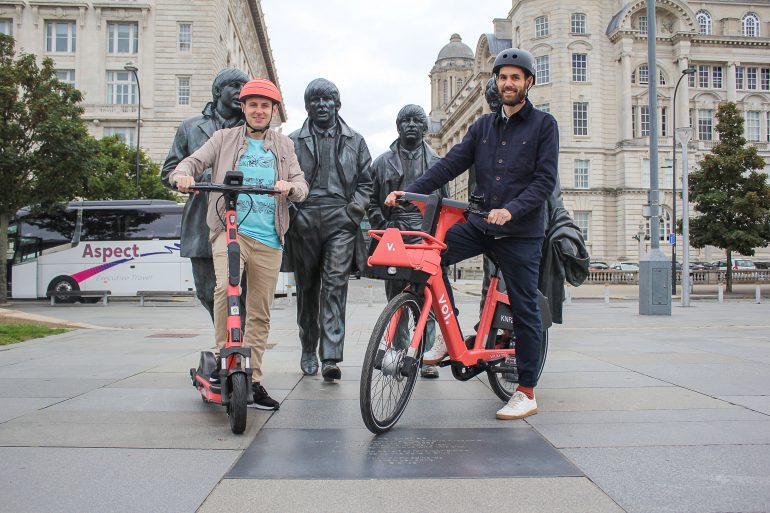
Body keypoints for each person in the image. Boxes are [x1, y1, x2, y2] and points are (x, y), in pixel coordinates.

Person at [384, 48, 558, 420]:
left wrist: (511, 209)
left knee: (525, 306)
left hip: (520, 232)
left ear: (528, 82)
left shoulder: (544, 125)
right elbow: (449, 164)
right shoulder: (482, 127)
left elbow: (544, 182)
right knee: (430, 257)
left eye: (516, 77)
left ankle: (526, 391)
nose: (508, 83)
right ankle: (449, 337)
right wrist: (410, 191)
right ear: (495, 81)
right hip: (481, 225)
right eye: (503, 77)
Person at [168, 78, 308, 410]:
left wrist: (291, 187)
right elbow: (191, 163)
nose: (259, 111)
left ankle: (254, 379)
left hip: (270, 236)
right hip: (230, 230)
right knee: (226, 290)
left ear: (273, 111)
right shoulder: (223, 138)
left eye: (265, 106)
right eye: (253, 105)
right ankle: (225, 361)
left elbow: (301, 183)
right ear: (243, 108)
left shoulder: (284, 146)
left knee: (260, 310)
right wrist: (182, 176)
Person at [286, 78, 373, 381]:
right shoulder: (292, 141)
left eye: (328, 100)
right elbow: (281, 180)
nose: (322, 105)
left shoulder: (356, 141)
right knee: (307, 289)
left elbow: (366, 182)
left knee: (335, 287)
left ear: (338, 104)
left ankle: (331, 356)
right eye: (315, 100)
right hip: (305, 217)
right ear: (307, 106)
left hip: (341, 220)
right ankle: (309, 347)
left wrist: (353, 212)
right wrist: (294, 214)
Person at [161, 68, 249, 322]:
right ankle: (228, 341)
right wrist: (195, 179)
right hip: (202, 221)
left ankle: (236, 347)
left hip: (244, 219)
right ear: (218, 91)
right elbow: (169, 171)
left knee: (241, 292)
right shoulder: (190, 128)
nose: (240, 92)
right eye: (234, 85)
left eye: (244, 87)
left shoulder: (253, 128)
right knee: (207, 291)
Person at [368, 104, 448, 379]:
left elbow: (444, 203)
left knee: (429, 297)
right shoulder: (380, 163)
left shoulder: (438, 163)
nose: (411, 125)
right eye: (406, 120)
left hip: (427, 236)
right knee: (395, 297)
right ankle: (396, 353)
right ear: (398, 126)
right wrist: (384, 225)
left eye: (417, 120)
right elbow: (371, 201)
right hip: (395, 235)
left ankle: (424, 356)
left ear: (425, 128)